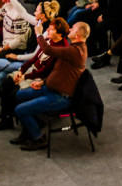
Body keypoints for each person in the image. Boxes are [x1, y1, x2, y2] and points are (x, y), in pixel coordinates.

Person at [10, 18, 89, 151]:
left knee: (20, 110)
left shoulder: (75, 52)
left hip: (60, 97)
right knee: (18, 95)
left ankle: (39, 138)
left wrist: (39, 33)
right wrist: (43, 82)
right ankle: (29, 131)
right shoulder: (73, 49)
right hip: (50, 88)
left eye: (73, 28)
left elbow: (47, 49)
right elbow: (59, 71)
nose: (69, 29)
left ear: (77, 36)